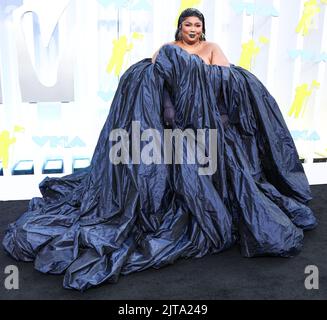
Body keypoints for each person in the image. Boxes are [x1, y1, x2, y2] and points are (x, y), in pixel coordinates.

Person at [2, 8, 317, 292]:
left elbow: (226, 79)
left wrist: (188, 69)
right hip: (172, 121)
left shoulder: (211, 49)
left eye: (197, 24)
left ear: (202, 29)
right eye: (187, 24)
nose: (192, 28)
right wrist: (177, 69)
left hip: (205, 122)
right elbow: (155, 70)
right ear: (179, 27)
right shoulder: (168, 49)